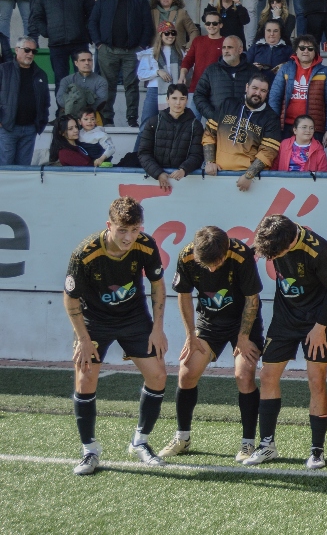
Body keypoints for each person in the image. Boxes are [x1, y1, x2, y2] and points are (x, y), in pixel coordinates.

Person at [64, 197, 168, 475]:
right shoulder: (84, 253)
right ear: (109, 225)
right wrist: (83, 339)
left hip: (134, 318)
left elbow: (157, 285)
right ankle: (89, 450)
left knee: (157, 375)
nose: (128, 237)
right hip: (95, 321)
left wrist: (158, 327)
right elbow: (71, 299)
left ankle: (140, 442)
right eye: (122, 230)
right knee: (85, 378)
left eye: (134, 230)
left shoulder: (146, 244)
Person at [242, 216, 327, 470]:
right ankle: (267, 446)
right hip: (284, 320)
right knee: (267, 376)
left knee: (316, 380)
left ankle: (317, 450)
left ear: (289, 244)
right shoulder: (272, 237)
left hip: (315, 322)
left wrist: (320, 327)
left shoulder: (319, 250)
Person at [158, 226, 263, 460]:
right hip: (209, 322)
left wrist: (243, 337)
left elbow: (252, 298)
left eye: (217, 262)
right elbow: (183, 295)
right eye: (207, 265)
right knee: (186, 372)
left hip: (242, 321)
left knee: (243, 374)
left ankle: (248, 443)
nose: (213, 268)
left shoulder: (241, 254)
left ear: (226, 251)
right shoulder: (186, 256)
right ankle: (182, 437)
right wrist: (190, 335)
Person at [88, 0, 153, 127]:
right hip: (107, 50)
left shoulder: (140, 0)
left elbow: (147, 25)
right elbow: (92, 22)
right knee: (107, 86)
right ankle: (107, 119)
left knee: (131, 86)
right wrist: (98, 43)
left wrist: (141, 46)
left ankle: (132, 119)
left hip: (132, 52)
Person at [201, 73, 281, 191]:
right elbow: (209, 134)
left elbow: (268, 152)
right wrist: (209, 162)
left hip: (247, 179)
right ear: (247, 87)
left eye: (263, 90)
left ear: (267, 93)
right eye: (255, 88)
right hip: (217, 173)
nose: (258, 93)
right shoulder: (228, 104)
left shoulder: (271, 118)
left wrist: (249, 176)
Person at [29, 0, 94, 84]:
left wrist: (85, 31)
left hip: (79, 43)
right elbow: (36, 15)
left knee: (83, 79)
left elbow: (93, 13)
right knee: (61, 81)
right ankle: (62, 106)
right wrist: (47, 32)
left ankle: (85, 105)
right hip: (57, 44)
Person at [138, 83, 203, 191]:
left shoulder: (195, 125)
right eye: (174, 98)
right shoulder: (153, 122)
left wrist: (184, 170)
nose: (178, 103)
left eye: (182, 98)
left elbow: (197, 155)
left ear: (187, 100)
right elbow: (143, 153)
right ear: (167, 99)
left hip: (186, 182)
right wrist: (158, 173)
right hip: (155, 181)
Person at [0, 36, 50, 164]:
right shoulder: (3, 70)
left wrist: (40, 123)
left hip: (30, 130)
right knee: (5, 167)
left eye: (34, 51)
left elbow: (45, 102)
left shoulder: (41, 74)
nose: (30, 54)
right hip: (7, 128)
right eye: (27, 50)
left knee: (23, 170)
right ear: (17, 50)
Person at [194, 35, 253, 122]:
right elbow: (199, 95)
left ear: (240, 50)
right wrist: (213, 116)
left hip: (245, 125)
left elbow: (261, 96)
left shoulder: (252, 72)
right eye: (223, 48)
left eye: (230, 47)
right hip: (216, 126)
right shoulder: (211, 71)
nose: (226, 51)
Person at [135, 20, 183, 128]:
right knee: (146, 124)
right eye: (167, 33)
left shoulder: (180, 52)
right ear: (161, 35)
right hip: (154, 90)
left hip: (173, 92)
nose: (170, 36)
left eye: (173, 33)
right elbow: (141, 74)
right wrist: (157, 72)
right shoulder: (150, 52)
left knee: (170, 126)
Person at [179, 8, 225, 97]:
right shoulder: (197, 41)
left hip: (217, 90)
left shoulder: (226, 42)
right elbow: (188, 60)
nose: (211, 26)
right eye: (208, 23)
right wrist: (182, 75)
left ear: (221, 25)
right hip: (196, 88)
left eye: (214, 23)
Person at [56, 49, 108, 118]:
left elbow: (100, 102)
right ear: (76, 63)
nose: (87, 63)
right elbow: (60, 99)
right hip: (69, 117)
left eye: (89, 60)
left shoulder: (101, 81)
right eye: (83, 60)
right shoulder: (66, 80)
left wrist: (74, 102)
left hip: (91, 117)